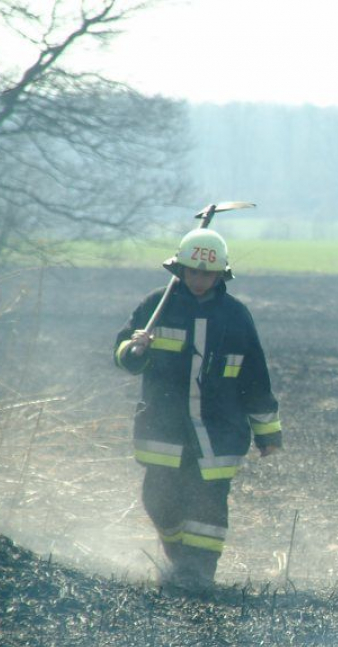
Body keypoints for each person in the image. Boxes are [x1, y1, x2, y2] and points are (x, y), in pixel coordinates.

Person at [114, 229, 282, 592]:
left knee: (209, 508)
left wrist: (267, 432)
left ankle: (200, 573)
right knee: (158, 500)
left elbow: (255, 378)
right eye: (192, 272)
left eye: (206, 274)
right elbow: (123, 353)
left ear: (221, 274)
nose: (199, 280)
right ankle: (178, 558)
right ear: (180, 270)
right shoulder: (155, 307)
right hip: (165, 431)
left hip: (218, 435)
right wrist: (135, 349)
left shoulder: (237, 317)